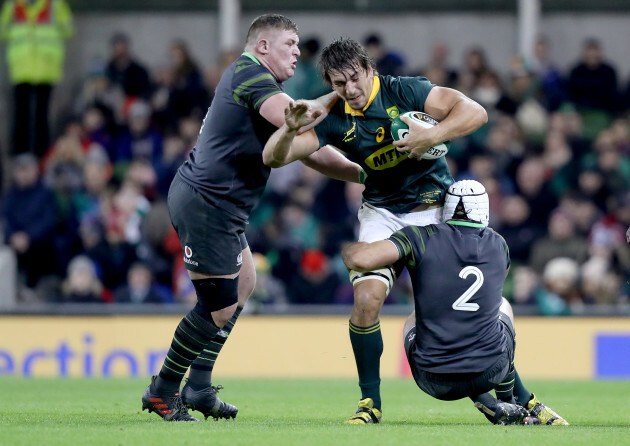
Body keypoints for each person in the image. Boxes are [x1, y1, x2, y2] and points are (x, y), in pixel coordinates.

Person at [141, 15, 363, 422]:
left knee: (245, 281)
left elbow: (308, 148)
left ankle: (200, 387)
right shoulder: (251, 75)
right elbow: (296, 118)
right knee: (219, 305)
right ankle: (163, 389)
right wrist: (340, 92)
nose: (298, 51)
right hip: (206, 202)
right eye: (290, 43)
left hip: (219, 205)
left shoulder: (257, 83)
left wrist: (360, 172)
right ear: (263, 47)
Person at [263, 37, 487, 423]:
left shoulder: (408, 90)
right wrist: (288, 130)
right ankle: (370, 403)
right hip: (381, 213)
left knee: (454, 313)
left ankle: (509, 395)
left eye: (354, 78)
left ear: (369, 69)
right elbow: (273, 157)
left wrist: (431, 135)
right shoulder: (333, 117)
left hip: (431, 210)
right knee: (366, 301)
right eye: (338, 84)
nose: (349, 89)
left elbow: (476, 112)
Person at [341, 180, 569, 425]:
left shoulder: (419, 235)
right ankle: (513, 400)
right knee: (501, 306)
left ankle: (371, 405)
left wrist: (347, 250)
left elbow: (362, 259)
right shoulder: (499, 245)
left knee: (417, 316)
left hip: (432, 378)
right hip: (490, 373)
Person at [0, 0, 73, 157]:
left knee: (41, 114)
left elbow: (69, 30)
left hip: (44, 68)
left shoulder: (55, 4)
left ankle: (40, 154)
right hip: (22, 68)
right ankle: (20, 154)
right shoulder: (12, 5)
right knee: (22, 113)